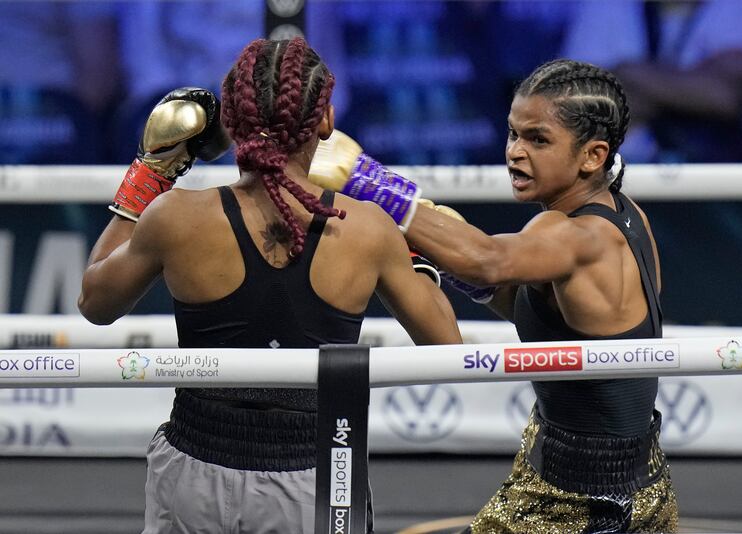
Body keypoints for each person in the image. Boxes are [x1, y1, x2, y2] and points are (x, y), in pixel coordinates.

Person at [77, 37, 462, 534]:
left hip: (195, 470)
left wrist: (151, 172)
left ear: (229, 123)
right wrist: (408, 239)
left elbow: (95, 301)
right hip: (317, 479)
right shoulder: (366, 229)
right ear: (325, 121)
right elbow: (446, 347)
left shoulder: (176, 217)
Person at [308, 59, 678, 533]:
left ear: (592, 155)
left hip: (577, 502)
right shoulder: (626, 215)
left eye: (538, 140)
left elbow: (487, 260)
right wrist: (449, 256)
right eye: (513, 134)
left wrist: (369, 182)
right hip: (632, 479)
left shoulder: (576, 234)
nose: (516, 153)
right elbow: (537, 308)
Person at [561, 0, 742, 163]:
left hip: (714, 187)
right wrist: (690, 94)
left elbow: (726, 96)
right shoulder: (605, 6)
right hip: (614, 181)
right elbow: (578, 108)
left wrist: (628, 73)